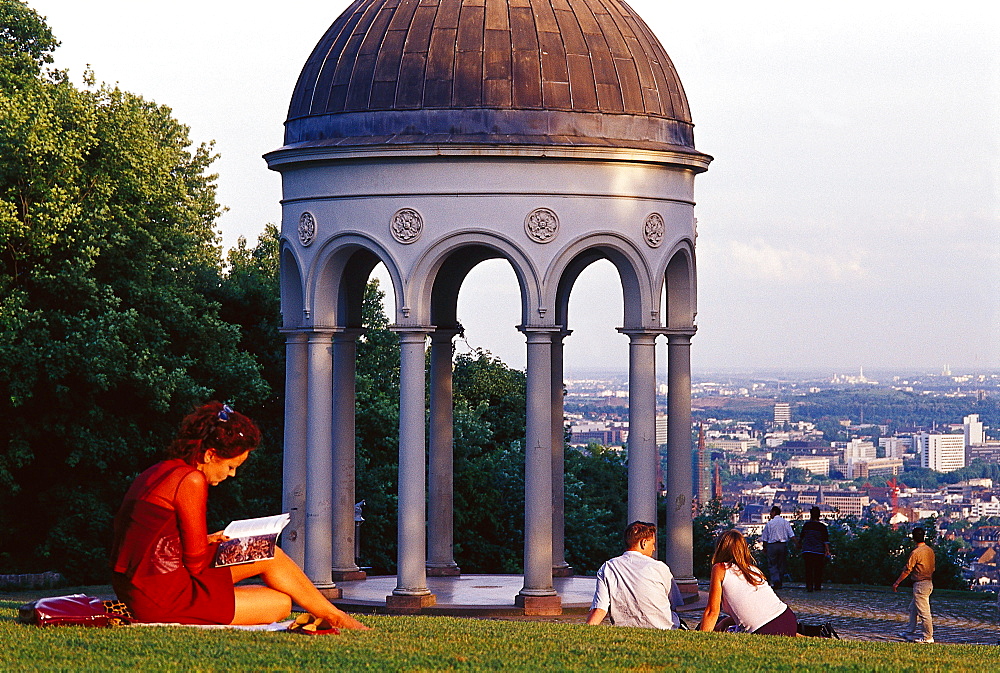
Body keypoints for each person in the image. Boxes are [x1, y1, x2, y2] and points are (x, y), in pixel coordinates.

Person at [110, 401, 369, 629]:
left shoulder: (159, 471)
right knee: (273, 577)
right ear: (211, 455)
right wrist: (232, 545)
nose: (231, 475)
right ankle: (336, 616)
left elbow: (147, 541)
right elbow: (197, 563)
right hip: (162, 596)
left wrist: (209, 539)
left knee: (274, 581)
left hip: (141, 589)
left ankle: (334, 614)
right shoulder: (191, 480)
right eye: (231, 466)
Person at [699, 529, 798, 636]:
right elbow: (754, 609)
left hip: (764, 628)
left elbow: (712, 612)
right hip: (787, 619)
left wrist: (701, 638)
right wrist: (725, 622)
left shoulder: (720, 568)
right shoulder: (753, 570)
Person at [586, 521, 683, 629]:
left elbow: (599, 609)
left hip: (624, 630)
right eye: (653, 544)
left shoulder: (608, 567)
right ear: (644, 543)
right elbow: (674, 604)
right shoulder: (659, 567)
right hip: (665, 629)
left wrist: (585, 635)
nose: (654, 549)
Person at [893, 527, 935, 643]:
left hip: (920, 584)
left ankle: (928, 637)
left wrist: (897, 582)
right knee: (913, 608)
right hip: (929, 583)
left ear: (913, 538)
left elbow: (907, 570)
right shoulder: (929, 551)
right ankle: (909, 631)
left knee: (924, 612)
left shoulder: (915, 553)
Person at [760, 505, 796, 589]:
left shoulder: (770, 523)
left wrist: (764, 548)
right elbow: (791, 535)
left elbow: (765, 538)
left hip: (772, 545)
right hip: (783, 545)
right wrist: (797, 544)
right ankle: (780, 580)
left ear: (774, 512)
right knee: (781, 563)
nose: (770, 514)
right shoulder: (785, 522)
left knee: (773, 564)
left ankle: (776, 580)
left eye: (771, 513)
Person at [799, 506, 831, 592]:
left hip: (807, 550)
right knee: (818, 569)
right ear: (819, 515)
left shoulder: (806, 525)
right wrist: (827, 551)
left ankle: (809, 585)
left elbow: (801, 538)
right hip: (818, 551)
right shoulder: (822, 527)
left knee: (808, 569)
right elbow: (825, 541)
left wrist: (799, 546)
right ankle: (817, 585)